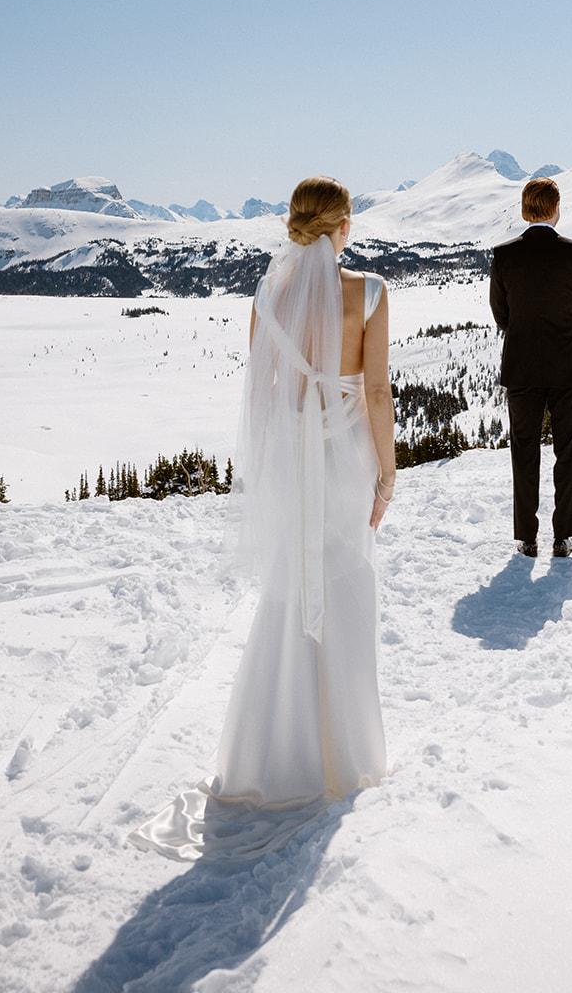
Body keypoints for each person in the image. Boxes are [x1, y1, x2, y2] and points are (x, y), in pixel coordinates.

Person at [127, 175, 394, 860]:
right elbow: (375, 390)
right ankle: (346, 752)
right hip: (344, 461)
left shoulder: (266, 294)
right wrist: (386, 470)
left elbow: (265, 387)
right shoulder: (368, 292)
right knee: (345, 582)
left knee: (287, 590)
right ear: (341, 226)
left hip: (293, 464)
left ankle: (273, 752)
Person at [489, 177, 572, 559]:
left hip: (521, 368)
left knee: (524, 452)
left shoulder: (504, 256)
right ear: (555, 208)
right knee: (568, 453)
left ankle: (527, 537)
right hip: (567, 366)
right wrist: (563, 336)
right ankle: (563, 536)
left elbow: (502, 316)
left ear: (524, 209)